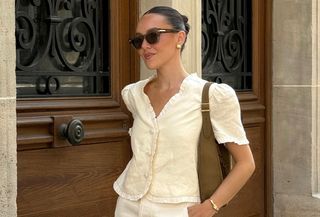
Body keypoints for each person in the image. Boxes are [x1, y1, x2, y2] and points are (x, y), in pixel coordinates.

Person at [113, 6, 255, 217]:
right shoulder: (134, 95)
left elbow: (246, 163)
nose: (144, 46)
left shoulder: (212, 96)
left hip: (179, 209)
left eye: (153, 36)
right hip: (129, 205)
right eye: (138, 40)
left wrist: (211, 206)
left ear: (180, 37)